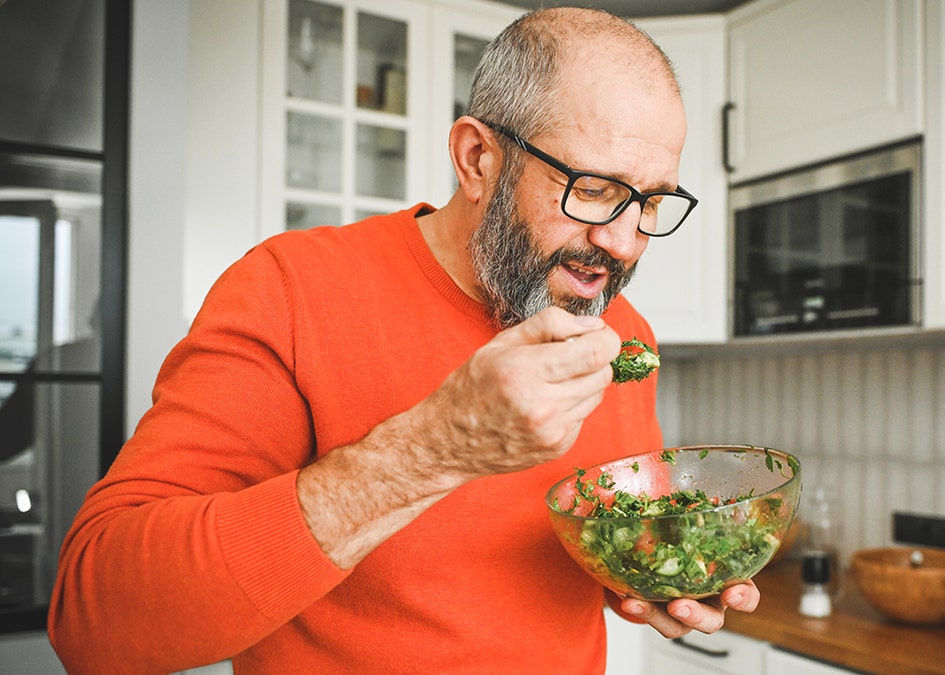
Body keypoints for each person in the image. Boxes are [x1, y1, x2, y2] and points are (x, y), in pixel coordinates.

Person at [48, 7, 759, 673]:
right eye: (595, 189)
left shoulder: (625, 335)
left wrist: (659, 570)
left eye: (653, 201)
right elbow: (93, 618)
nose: (623, 241)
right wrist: (431, 450)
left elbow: (578, 552)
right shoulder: (291, 289)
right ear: (478, 158)